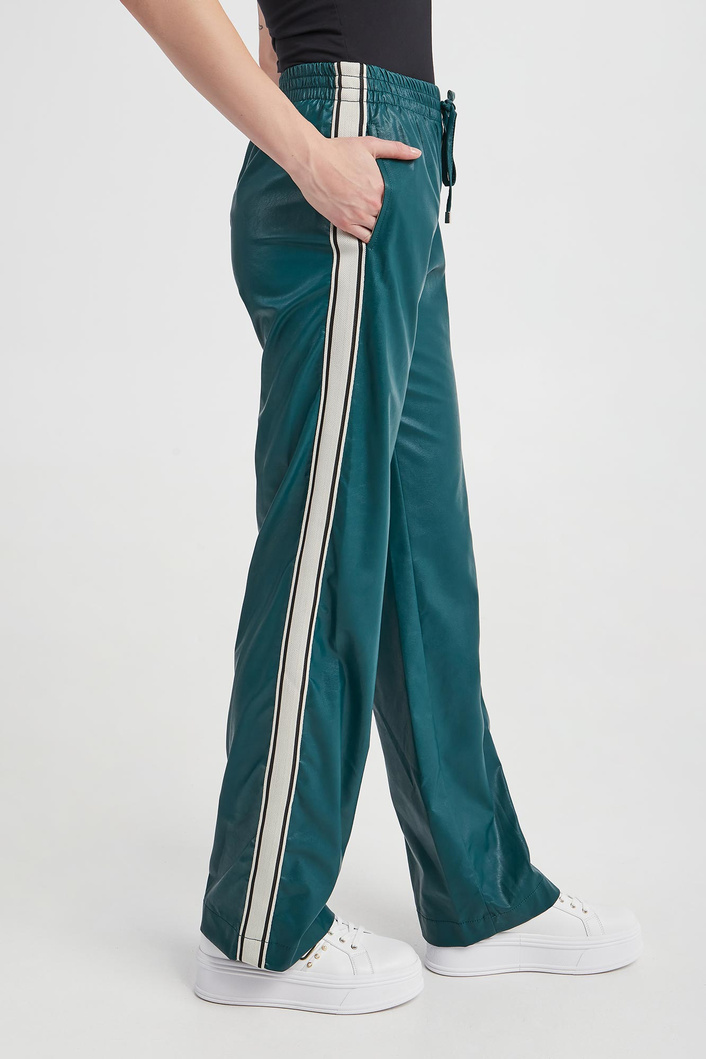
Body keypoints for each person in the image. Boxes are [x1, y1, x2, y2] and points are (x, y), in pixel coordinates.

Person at [119, 0, 642, 1014]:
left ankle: (479, 895)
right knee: (326, 557)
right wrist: (303, 148)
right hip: (342, 164)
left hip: (389, 162)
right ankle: (260, 927)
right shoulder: (321, 153)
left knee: (422, 557)